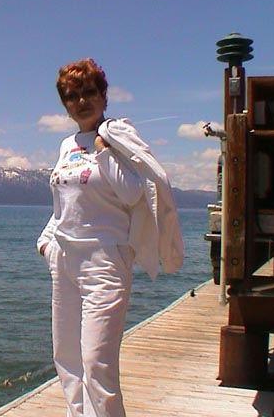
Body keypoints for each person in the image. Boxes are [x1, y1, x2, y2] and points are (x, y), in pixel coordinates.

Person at [37, 58, 184, 417]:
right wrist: (46, 242)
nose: (81, 102)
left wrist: (104, 151)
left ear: (104, 95)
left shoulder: (118, 137)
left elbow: (133, 194)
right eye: (71, 96)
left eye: (89, 92)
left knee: (96, 363)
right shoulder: (66, 145)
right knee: (67, 359)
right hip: (65, 259)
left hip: (105, 262)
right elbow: (66, 202)